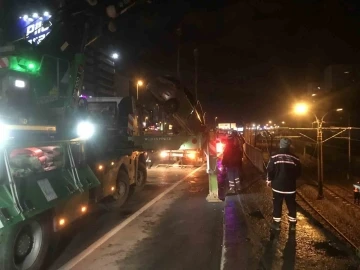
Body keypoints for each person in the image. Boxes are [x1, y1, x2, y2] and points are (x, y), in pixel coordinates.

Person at [266, 138, 301, 231]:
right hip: (290, 186)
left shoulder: (274, 157)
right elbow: (298, 173)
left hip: (277, 186)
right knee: (291, 204)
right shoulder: (295, 158)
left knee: (277, 203)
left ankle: (276, 224)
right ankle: (293, 224)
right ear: (289, 146)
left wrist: (269, 180)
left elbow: (270, 170)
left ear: (280, 145)